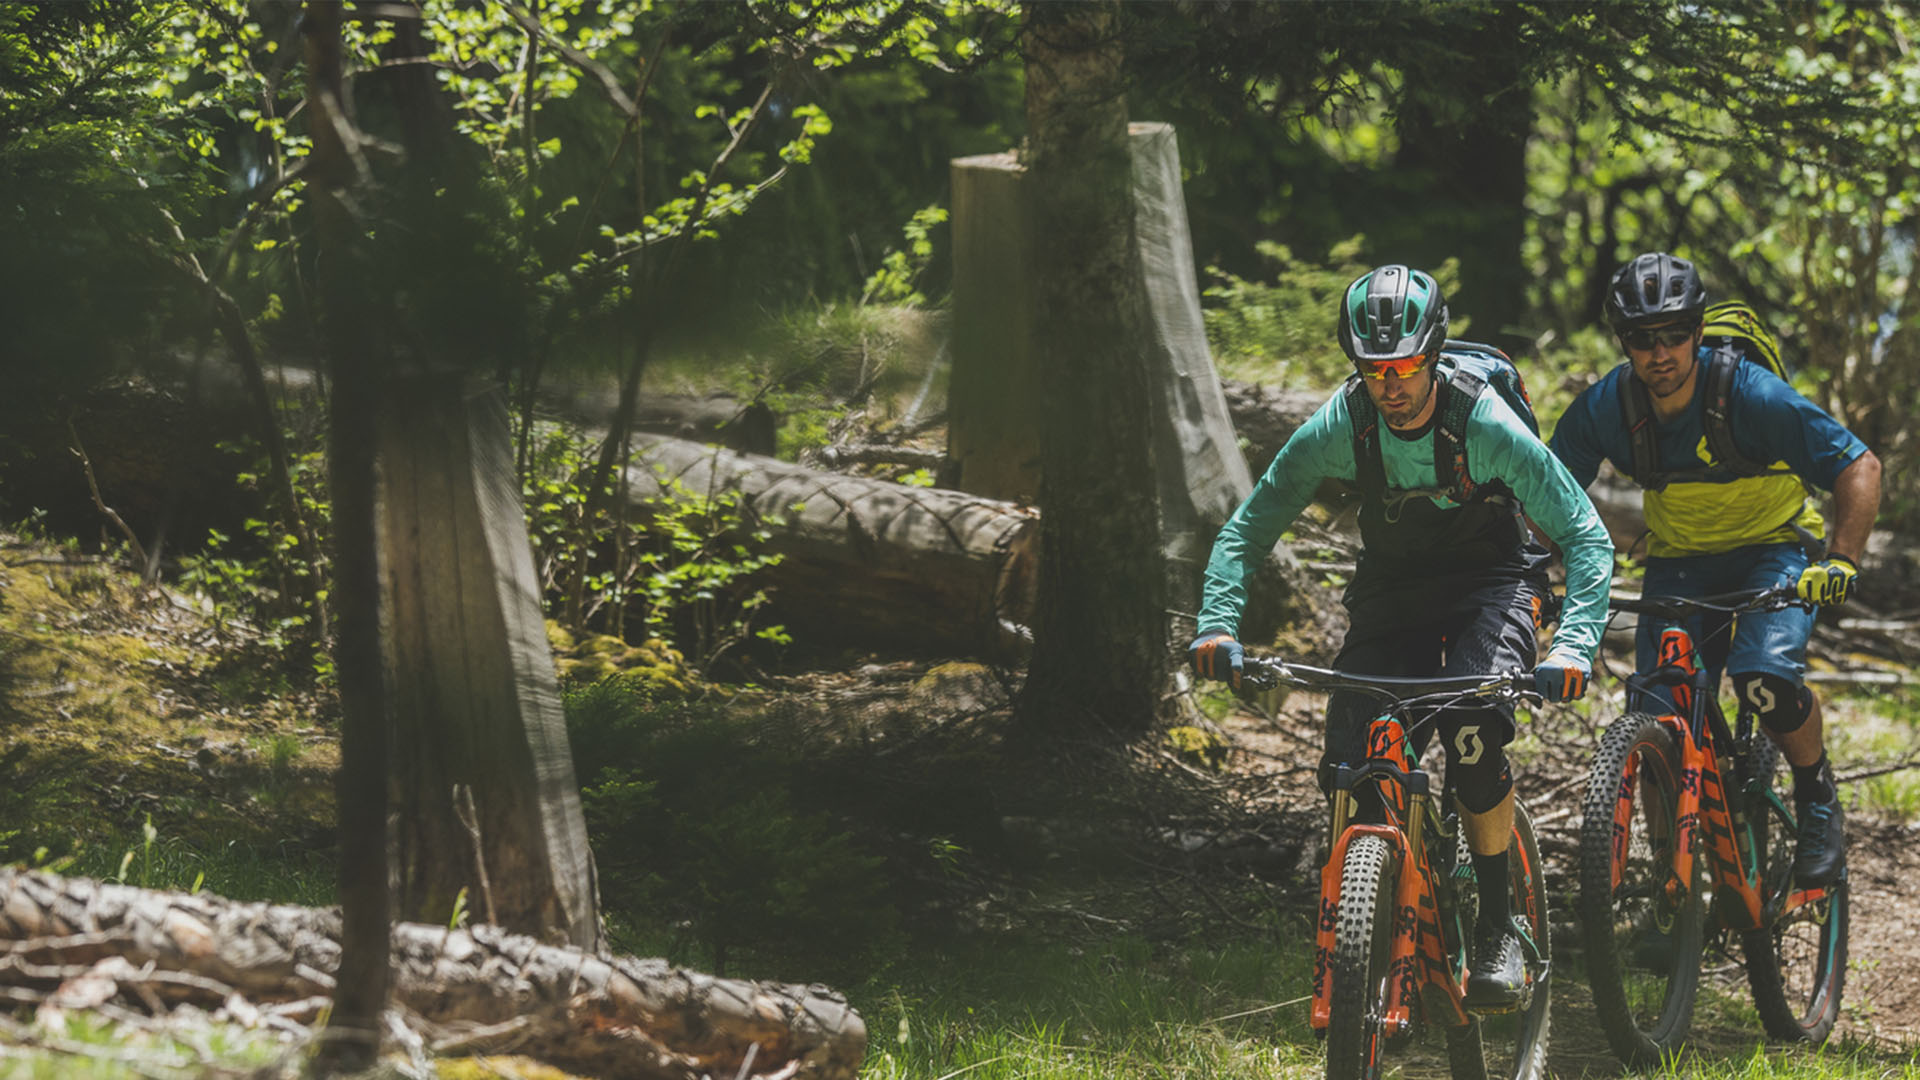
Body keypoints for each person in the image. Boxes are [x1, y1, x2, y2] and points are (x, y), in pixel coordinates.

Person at [1189, 264, 1614, 1006]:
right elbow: (1249, 527)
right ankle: (1373, 928)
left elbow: (1584, 534)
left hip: (1494, 584)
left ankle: (1497, 922)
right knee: (1351, 753)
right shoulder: (1340, 425)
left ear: (1433, 352)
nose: (1390, 384)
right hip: (1394, 590)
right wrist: (1218, 621)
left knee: (1475, 727)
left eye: (1407, 365)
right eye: (1373, 367)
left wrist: (1575, 641)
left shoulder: (1483, 422)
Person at [1549, 251, 1881, 890]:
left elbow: (1858, 466)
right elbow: (1546, 493)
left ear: (1697, 334)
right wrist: (1529, 569)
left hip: (1772, 552)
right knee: (1657, 710)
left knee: (1766, 680)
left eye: (1674, 334)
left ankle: (1817, 800)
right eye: (1643, 340)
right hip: (1678, 565)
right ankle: (1667, 887)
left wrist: (1840, 559)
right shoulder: (1606, 408)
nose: (1660, 352)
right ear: (1626, 344)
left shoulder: (1749, 394)